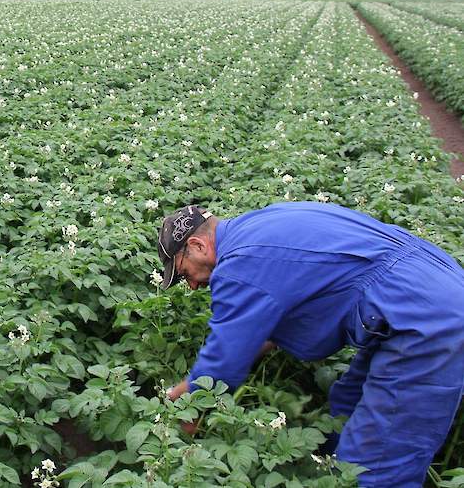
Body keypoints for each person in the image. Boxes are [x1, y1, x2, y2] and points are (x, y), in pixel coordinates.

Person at [157, 202, 464, 487]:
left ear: (198, 245)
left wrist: (188, 407)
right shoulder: (255, 228)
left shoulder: (238, 267)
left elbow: (224, 359)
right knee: (346, 407)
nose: (194, 285)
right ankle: (325, 471)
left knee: (374, 465)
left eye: (185, 274)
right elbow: (257, 334)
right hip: (429, 285)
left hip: (425, 320)